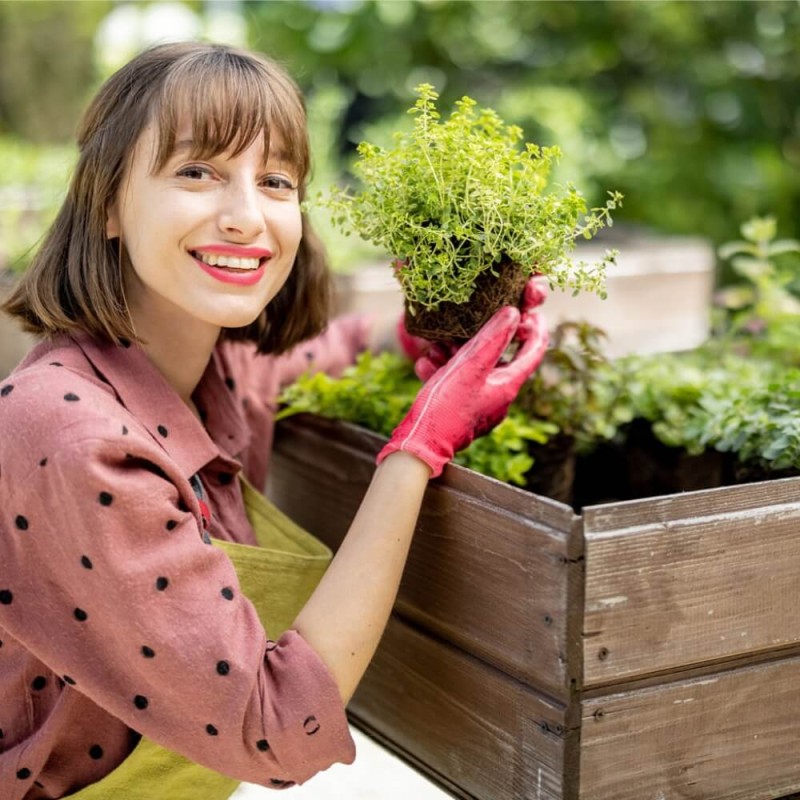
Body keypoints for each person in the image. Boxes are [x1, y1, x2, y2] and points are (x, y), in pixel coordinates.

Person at [0, 42, 548, 799]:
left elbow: (318, 353)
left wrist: (418, 332)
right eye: (197, 172)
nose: (244, 216)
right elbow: (274, 728)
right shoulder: (68, 437)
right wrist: (417, 449)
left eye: (276, 181)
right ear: (107, 204)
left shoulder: (217, 370)